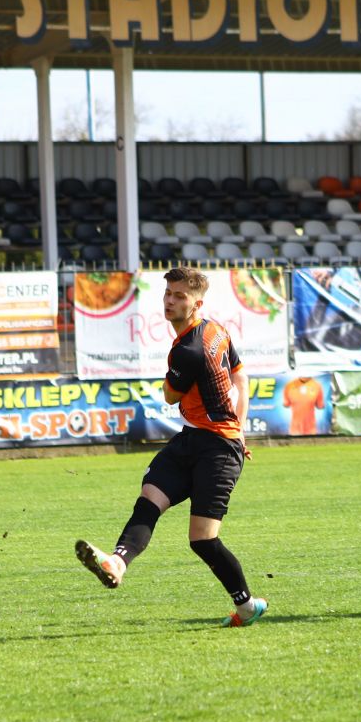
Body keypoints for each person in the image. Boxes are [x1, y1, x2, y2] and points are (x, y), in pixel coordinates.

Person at [75, 267, 268, 627]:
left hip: (219, 450)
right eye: (168, 293)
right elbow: (240, 375)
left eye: (180, 296)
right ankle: (116, 562)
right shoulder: (215, 330)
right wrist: (241, 427)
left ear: (197, 304)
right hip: (191, 439)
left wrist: (235, 434)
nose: (170, 301)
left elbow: (169, 395)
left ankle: (246, 607)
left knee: (203, 540)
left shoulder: (189, 351)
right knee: (150, 497)